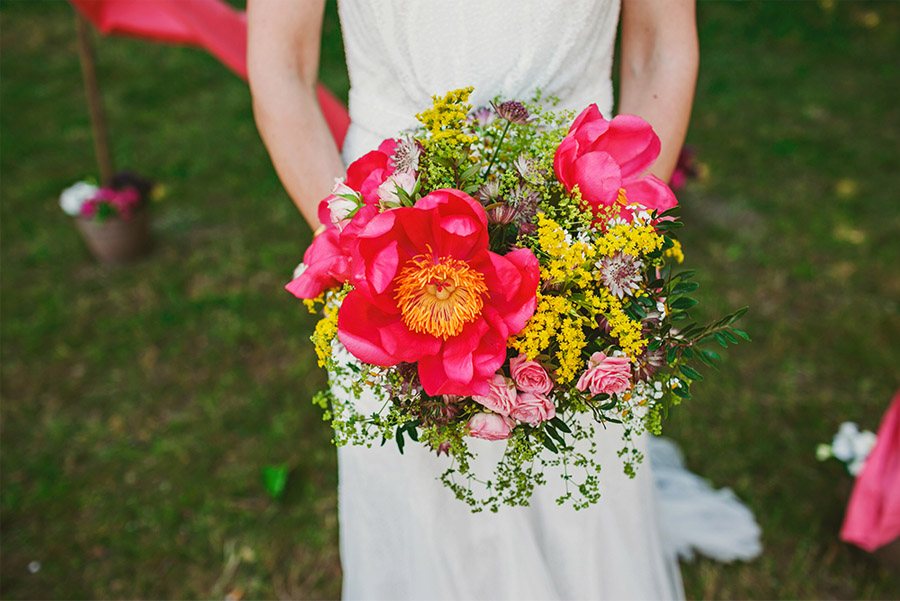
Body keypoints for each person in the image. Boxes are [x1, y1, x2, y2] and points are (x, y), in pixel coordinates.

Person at [249, 1, 698, 598]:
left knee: (579, 493)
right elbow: (280, 63)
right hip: (392, 222)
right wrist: (356, 244)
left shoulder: (596, 242)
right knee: (420, 500)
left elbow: (660, 47)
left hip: (583, 214)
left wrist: (608, 244)